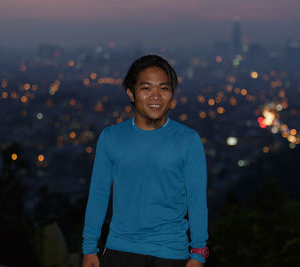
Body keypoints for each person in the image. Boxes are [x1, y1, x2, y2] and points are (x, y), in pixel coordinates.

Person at [81, 55, 208, 267]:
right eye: (146, 88)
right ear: (131, 93)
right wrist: (89, 248)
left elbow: (196, 201)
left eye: (164, 89)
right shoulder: (111, 137)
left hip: (171, 251)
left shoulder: (188, 140)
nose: (155, 96)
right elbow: (98, 194)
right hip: (120, 248)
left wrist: (198, 254)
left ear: (172, 94)